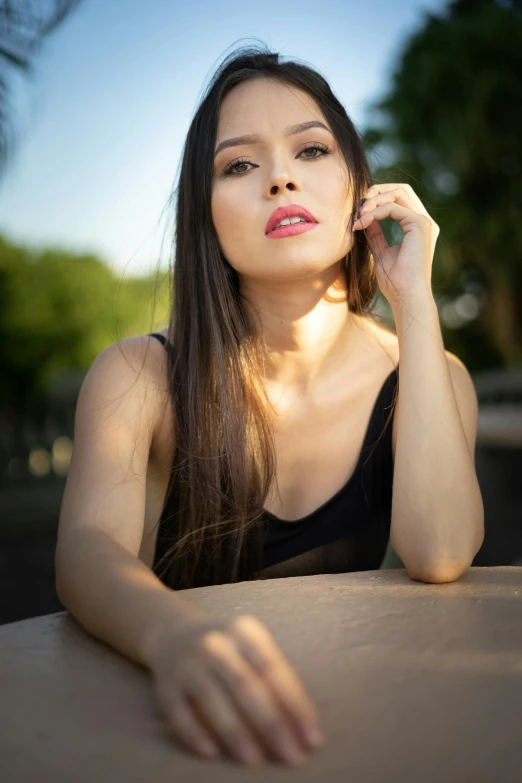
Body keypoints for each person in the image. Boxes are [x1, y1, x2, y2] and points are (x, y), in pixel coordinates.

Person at [54, 44, 483, 769]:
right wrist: (176, 636)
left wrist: (415, 300)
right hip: (175, 737)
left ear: (358, 186)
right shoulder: (139, 374)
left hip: (349, 733)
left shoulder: (431, 374)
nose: (280, 177)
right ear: (206, 214)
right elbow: (84, 552)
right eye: (240, 165)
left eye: (311, 150)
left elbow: (441, 553)